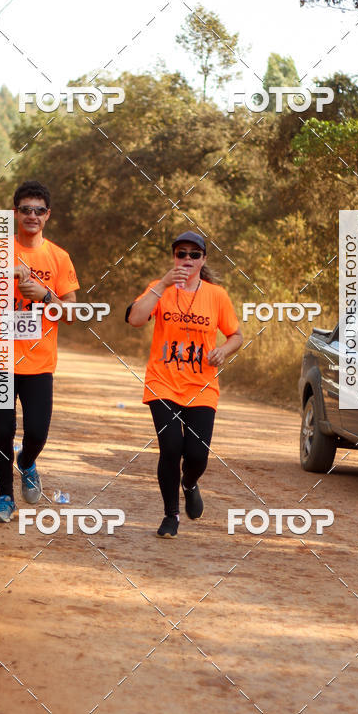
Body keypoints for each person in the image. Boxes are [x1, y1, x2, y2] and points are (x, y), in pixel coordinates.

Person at [0, 180, 79, 523]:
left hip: (39, 363)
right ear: (14, 213)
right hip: (0, 358)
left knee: (37, 432)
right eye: (25, 210)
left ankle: (27, 461)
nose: (32, 216)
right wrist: (3, 270)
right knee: (3, 431)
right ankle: (5, 498)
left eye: (39, 210)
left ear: (47, 215)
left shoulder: (59, 257)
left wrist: (46, 295)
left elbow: (72, 314)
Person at [127, 230, 243, 538]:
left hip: (201, 386)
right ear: (173, 257)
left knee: (197, 455)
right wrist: (163, 284)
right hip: (162, 381)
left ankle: (189, 483)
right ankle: (171, 515)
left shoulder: (217, 295)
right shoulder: (159, 288)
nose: (187, 259)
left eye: (194, 254)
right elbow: (136, 319)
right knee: (171, 448)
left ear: (203, 259)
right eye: (181, 254)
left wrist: (223, 350)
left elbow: (236, 335)